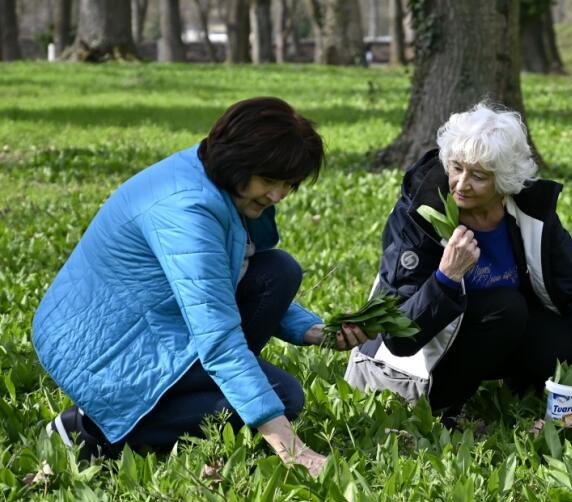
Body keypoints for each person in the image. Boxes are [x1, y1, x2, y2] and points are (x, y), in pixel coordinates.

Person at [34, 97, 369, 473]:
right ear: (238, 161)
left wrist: (312, 331)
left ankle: (184, 399)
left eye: (288, 184)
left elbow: (228, 280)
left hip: (148, 324)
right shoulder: (188, 210)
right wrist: (293, 449)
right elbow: (219, 337)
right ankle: (88, 430)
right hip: (100, 349)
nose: (278, 196)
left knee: (278, 271)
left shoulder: (214, 178)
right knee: (283, 396)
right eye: (270, 181)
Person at [345, 102, 572, 418]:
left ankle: (526, 398)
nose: (461, 184)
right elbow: (397, 337)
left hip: (495, 333)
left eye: (478, 176)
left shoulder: (530, 213)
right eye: (456, 168)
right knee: (507, 306)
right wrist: (446, 277)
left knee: (566, 344)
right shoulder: (417, 215)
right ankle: (445, 408)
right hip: (421, 354)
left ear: (503, 180)